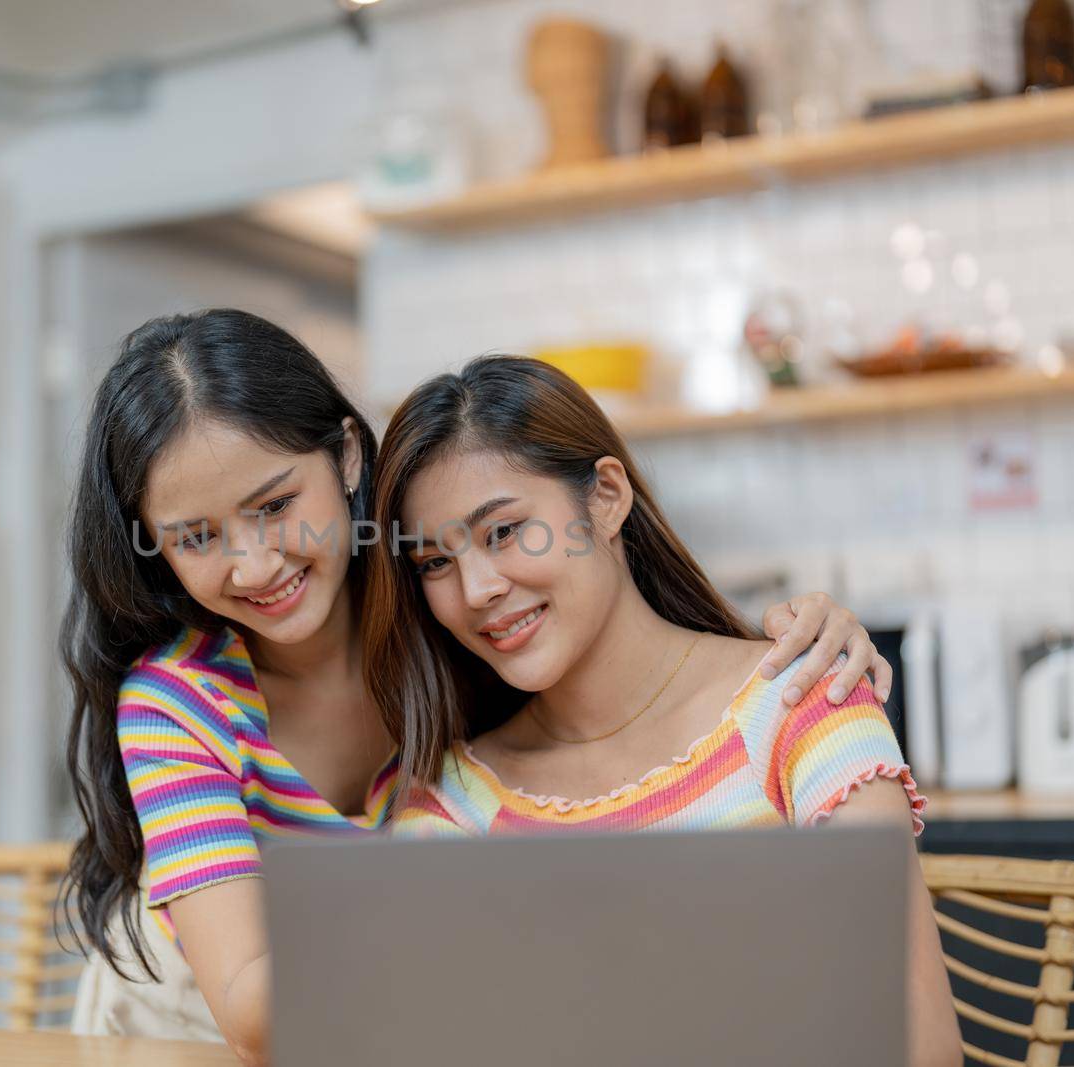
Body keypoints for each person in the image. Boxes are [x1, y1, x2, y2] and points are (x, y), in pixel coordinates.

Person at [62, 310, 897, 1065]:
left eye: (277, 505)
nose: (256, 563)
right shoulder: (177, 702)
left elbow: (602, 623)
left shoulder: (448, 612)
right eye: (197, 537)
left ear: (348, 455)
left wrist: (797, 635)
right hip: (194, 1028)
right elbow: (248, 1013)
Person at [365, 354, 961, 1067]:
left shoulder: (803, 704)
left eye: (503, 531)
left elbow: (920, 1045)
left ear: (607, 497)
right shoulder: (455, 804)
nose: (478, 587)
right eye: (435, 562)